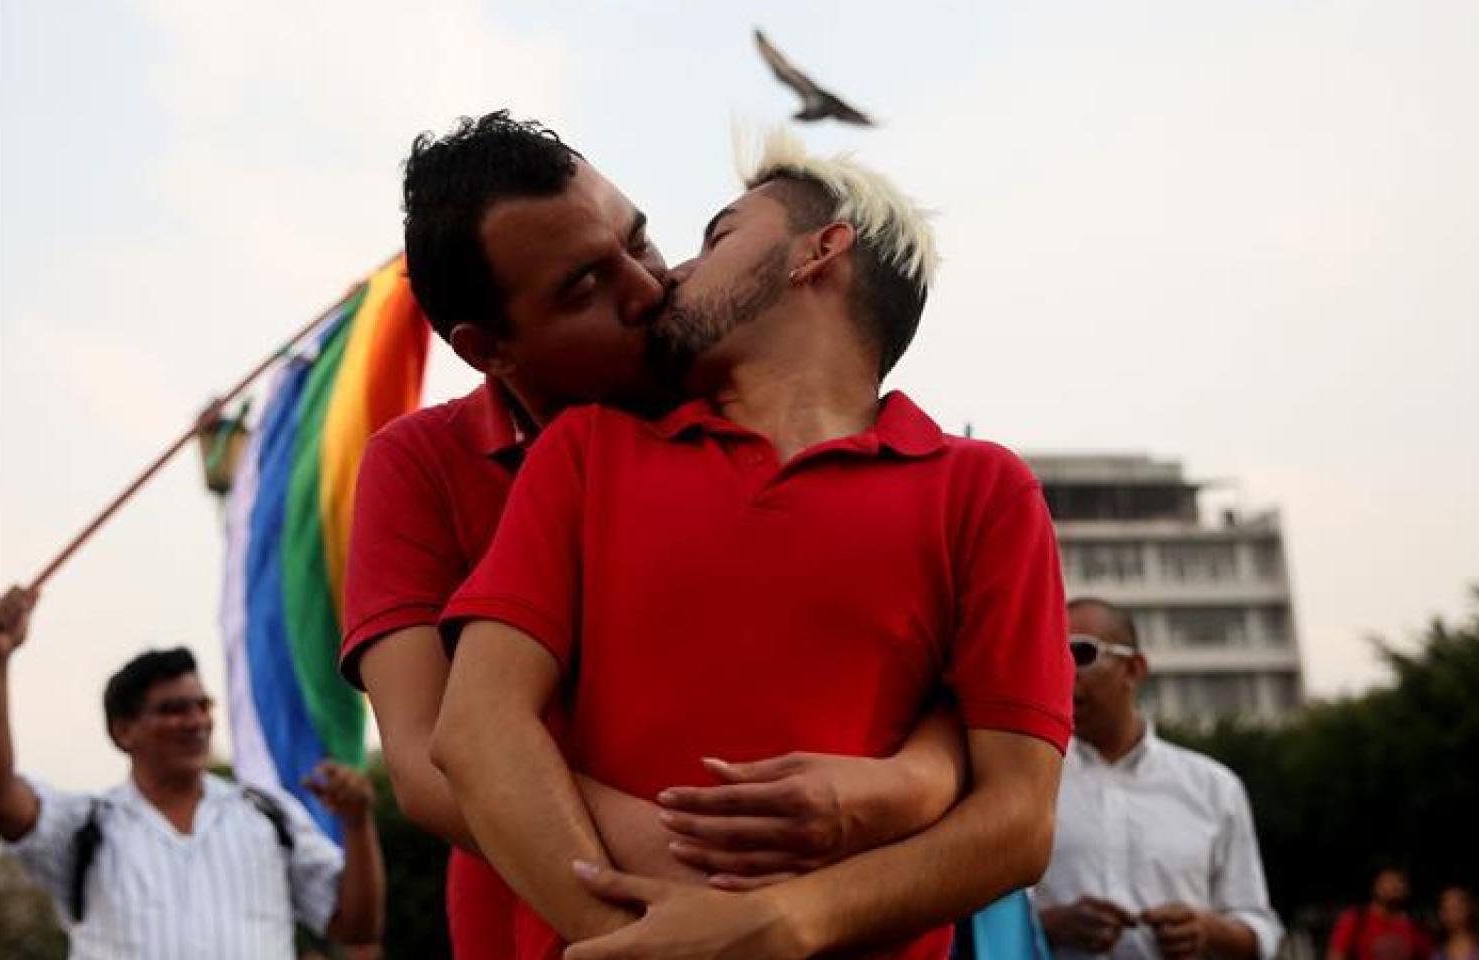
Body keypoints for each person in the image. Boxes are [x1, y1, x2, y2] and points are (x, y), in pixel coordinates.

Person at [432, 128, 1073, 959]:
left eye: (719, 236)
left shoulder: (983, 490)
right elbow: (475, 731)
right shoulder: (587, 452)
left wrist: (791, 923)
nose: (671, 275)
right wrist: (639, 944)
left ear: (821, 252)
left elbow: (1020, 822)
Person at [0, 586, 384, 959]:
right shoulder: (84, 825)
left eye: (202, 706)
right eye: (173, 709)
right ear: (123, 730)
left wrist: (357, 823)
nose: (195, 721)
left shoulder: (268, 815)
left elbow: (356, 927)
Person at [1034, 598, 1283, 960]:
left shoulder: (1214, 788)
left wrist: (1207, 930)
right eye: (1050, 657)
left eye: (1081, 653)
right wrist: (1049, 925)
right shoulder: (1031, 781)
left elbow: (1260, 928)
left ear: (1134, 669)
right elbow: (986, 917)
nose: (1062, 671)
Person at [1327, 868, 1435, 960]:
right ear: (1375, 885)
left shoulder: (1415, 926)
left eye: (1400, 882)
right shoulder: (1356, 919)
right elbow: (1336, 955)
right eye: (1388, 880)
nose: (1394, 886)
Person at [1432, 887, 1479, 960]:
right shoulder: (1438, 954)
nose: (1452, 913)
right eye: (1446, 908)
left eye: (1457, 906)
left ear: (1469, 907)